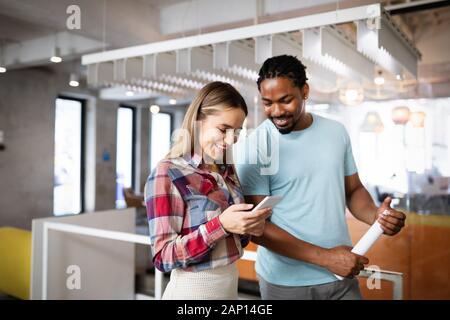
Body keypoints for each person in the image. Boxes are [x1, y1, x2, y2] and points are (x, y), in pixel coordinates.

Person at [235, 55, 406, 300]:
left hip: (342, 273)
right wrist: (327, 258)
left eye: (285, 100)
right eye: (268, 103)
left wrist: (377, 217)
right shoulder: (256, 146)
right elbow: (257, 227)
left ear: (305, 91)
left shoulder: (336, 132)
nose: (277, 111)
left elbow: (353, 190)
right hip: (286, 283)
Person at [144, 81, 272, 300]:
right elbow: (163, 258)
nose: (232, 140)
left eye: (237, 131)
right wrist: (221, 225)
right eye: (224, 129)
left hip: (229, 288)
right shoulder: (168, 173)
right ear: (197, 121)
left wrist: (248, 226)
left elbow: (232, 242)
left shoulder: (226, 170)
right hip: (191, 293)